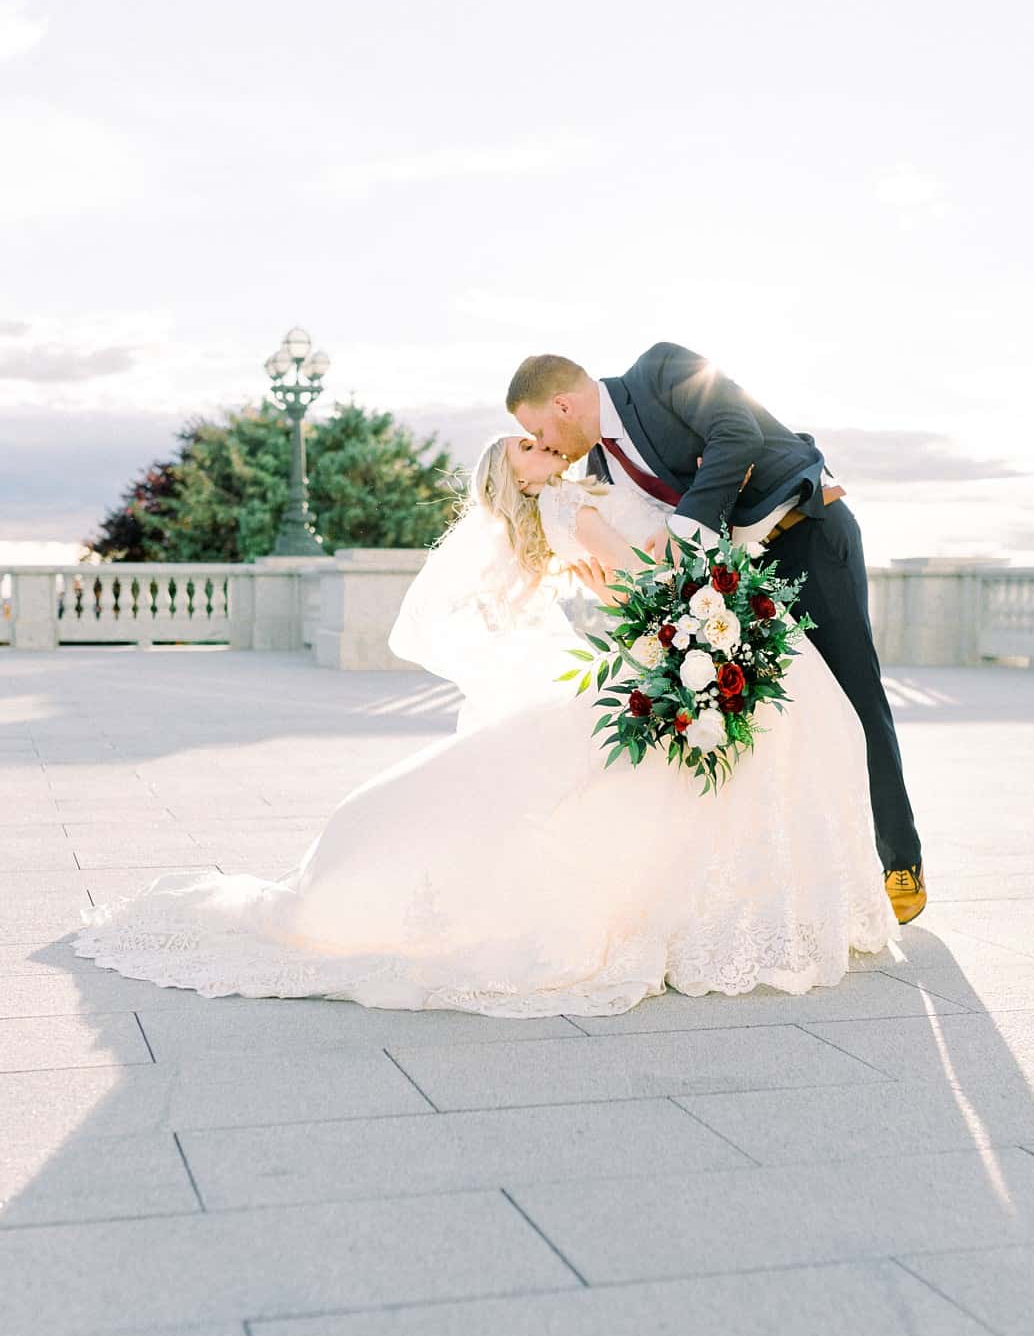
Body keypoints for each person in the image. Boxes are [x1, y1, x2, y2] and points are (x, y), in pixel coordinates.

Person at [72, 434, 894, 1017]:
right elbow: (637, 581)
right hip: (640, 655)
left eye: (541, 443)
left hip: (624, 661)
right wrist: (683, 605)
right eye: (527, 451)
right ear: (512, 478)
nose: (545, 451)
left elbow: (616, 589)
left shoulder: (565, 511)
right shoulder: (568, 508)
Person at [507, 343, 926, 924]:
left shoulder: (659, 371)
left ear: (562, 403)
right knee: (792, 727)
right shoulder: (599, 471)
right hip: (735, 585)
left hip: (804, 536)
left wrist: (684, 525)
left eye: (540, 431)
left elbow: (737, 433)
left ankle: (899, 859)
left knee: (857, 697)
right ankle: (817, 874)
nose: (548, 447)